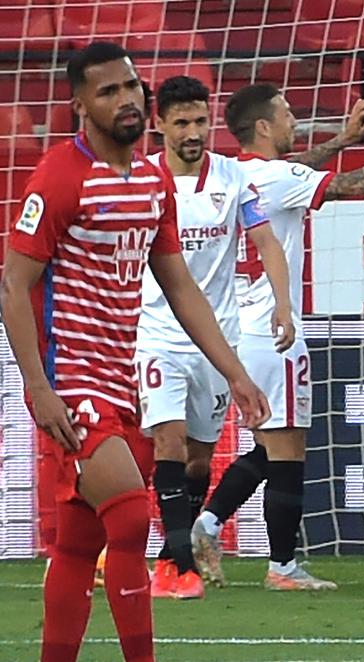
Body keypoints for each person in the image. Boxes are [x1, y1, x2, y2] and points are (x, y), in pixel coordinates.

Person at [1, 41, 270, 662]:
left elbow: (179, 283)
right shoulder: (58, 177)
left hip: (125, 379)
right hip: (72, 381)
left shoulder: (152, 180)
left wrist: (235, 372)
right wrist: (39, 388)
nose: (125, 99)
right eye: (108, 91)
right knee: (127, 518)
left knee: (77, 544)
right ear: (80, 107)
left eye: (130, 87)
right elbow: (14, 285)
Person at [189, 83, 364, 591]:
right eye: (288, 112)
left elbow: (298, 175)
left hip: (229, 333)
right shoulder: (274, 177)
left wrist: (340, 140)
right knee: (288, 453)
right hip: (273, 329)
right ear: (266, 127)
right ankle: (282, 567)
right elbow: (349, 186)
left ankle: (205, 524)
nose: (295, 119)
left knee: (268, 449)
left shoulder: (233, 174)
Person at [138, 75, 296, 601]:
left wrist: (282, 302)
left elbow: (267, 242)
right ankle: (177, 566)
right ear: (158, 125)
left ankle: (170, 553)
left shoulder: (233, 180)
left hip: (217, 340)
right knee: (169, 441)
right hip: (155, 332)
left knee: (199, 460)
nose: (193, 131)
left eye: (200, 121)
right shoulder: (142, 180)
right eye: (181, 121)